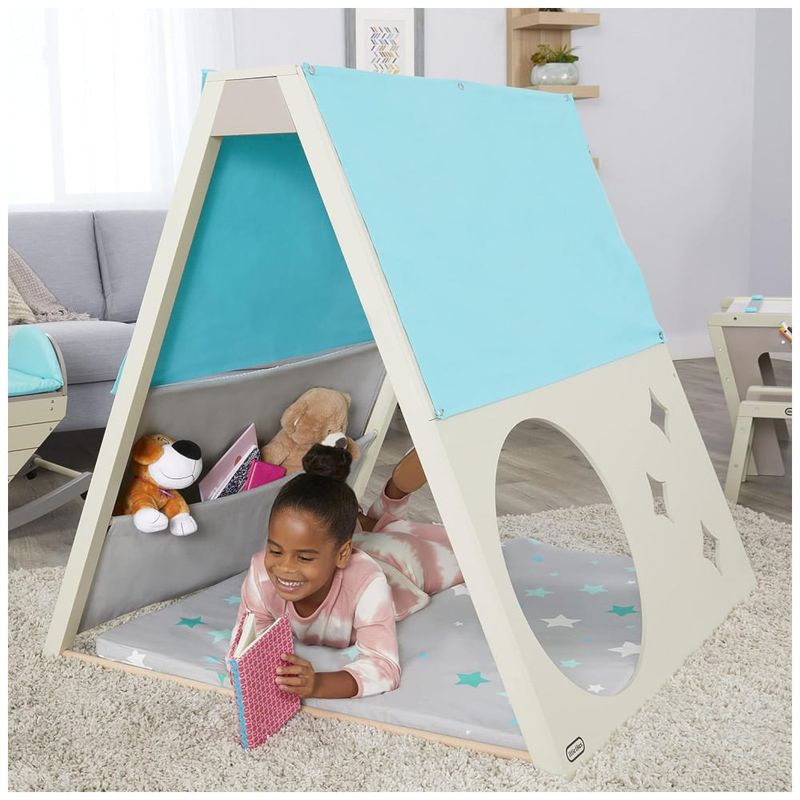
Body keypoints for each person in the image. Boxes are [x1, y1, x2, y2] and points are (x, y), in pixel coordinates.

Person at [229, 444, 463, 699]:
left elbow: (384, 667)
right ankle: (363, 521)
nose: (284, 567)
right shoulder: (261, 573)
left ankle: (395, 494)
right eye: (275, 551)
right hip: (343, 550)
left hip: (396, 562)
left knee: (457, 553)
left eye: (304, 558)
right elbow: (244, 646)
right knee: (350, 535)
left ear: (342, 555)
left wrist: (317, 684)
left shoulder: (367, 584)